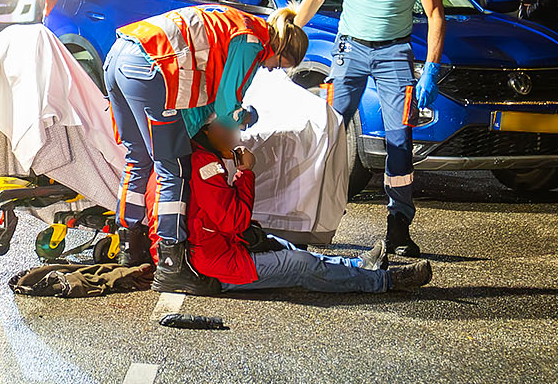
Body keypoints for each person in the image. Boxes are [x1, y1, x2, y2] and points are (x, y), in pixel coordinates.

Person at [106, 2, 311, 295]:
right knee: (173, 168)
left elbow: (203, 99)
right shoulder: (253, 40)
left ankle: (130, 247)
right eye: (278, 64)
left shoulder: (236, 22)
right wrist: (247, 116)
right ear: (279, 48)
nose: (269, 68)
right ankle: (172, 264)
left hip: (120, 54)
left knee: (138, 159)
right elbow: (228, 106)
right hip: (151, 67)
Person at [291, 0, 445, 257]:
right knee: (329, 132)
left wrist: (432, 67)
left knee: (399, 139)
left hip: (395, 53)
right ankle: (307, 220)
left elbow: (436, 12)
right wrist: (288, 34)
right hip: (350, 49)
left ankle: (399, 226)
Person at [147, 120, 432, 295]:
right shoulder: (204, 165)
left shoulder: (183, 159)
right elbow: (234, 221)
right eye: (230, 126)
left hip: (211, 250)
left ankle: (358, 266)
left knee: (282, 244)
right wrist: (245, 173)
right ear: (208, 130)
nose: (237, 134)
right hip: (214, 265)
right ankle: (384, 281)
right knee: (301, 265)